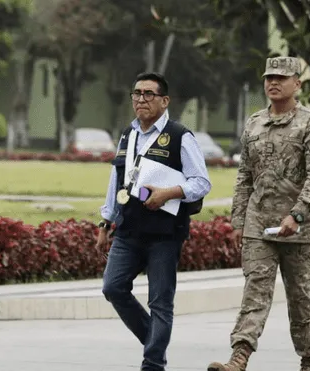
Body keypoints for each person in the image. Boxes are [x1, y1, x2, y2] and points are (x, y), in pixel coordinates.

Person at [207, 56, 310, 371]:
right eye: (269, 78)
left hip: (298, 229)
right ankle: (240, 356)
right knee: (255, 292)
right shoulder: (254, 123)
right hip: (259, 225)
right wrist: (238, 221)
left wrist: (298, 215)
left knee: (300, 297)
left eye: (281, 78)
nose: (273, 83)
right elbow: (244, 177)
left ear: (297, 84)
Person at [96, 72, 211, 371]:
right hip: (129, 228)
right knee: (113, 287)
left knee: (160, 302)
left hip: (165, 233)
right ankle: (154, 340)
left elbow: (201, 183)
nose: (141, 99)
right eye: (136, 93)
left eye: (148, 94)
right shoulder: (127, 135)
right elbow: (116, 180)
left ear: (164, 100)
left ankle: (153, 363)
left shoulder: (179, 135)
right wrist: (105, 222)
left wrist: (169, 193)